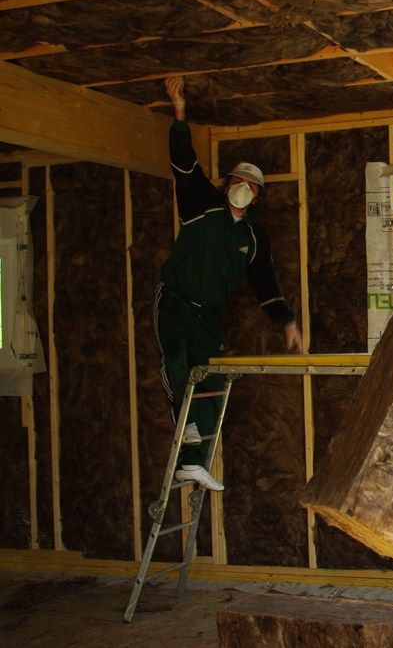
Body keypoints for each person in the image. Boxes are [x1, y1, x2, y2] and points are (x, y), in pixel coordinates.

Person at [157, 76, 304, 491]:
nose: (243, 189)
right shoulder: (200, 204)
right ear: (228, 186)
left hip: (208, 315)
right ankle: (185, 444)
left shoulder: (253, 237)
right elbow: (183, 164)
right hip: (175, 301)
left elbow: (265, 283)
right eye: (238, 181)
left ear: (258, 196)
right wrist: (179, 111)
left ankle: (193, 462)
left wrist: (286, 321)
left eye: (251, 186)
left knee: (211, 381)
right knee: (179, 369)